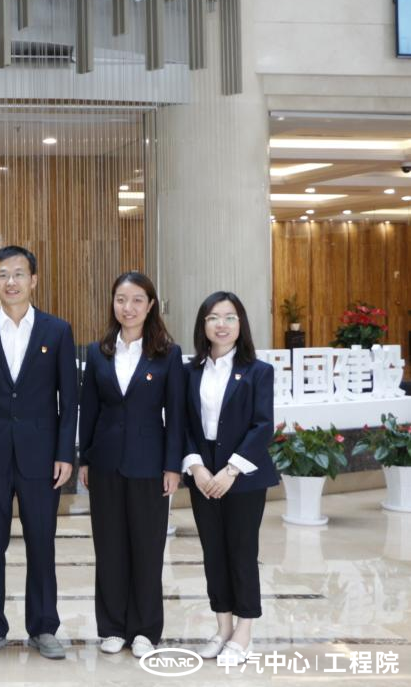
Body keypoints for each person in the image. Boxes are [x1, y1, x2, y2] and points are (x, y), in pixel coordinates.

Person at [0, 244, 77, 660]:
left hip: (42, 458)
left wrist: (65, 453)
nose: (11, 282)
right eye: (3, 275)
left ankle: (44, 627)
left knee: (41, 543)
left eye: (19, 274)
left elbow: (69, 399)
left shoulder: (57, 331)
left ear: (34, 280)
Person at [77, 271, 184, 658]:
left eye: (138, 300)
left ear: (150, 305)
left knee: (147, 548)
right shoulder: (98, 352)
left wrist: (173, 466)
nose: (129, 307)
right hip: (105, 464)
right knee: (109, 547)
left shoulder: (168, 354)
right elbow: (89, 409)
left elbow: (176, 415)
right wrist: (85, 458)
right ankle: (112, 627)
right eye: (121, 299)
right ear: (113, 303)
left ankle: (145, 630)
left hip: (150, 466)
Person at [182, 291, 277, 665]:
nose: (221, 325)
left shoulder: (258, 371)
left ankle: (244, 632)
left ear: (241, 324)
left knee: (241, 551)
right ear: (203, 325)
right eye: (213, 318)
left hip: (243, 476)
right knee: (213, 552)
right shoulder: (189, 371)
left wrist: (231, 470)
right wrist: (197, 467)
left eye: (230, 317)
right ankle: (222, 628)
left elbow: (262, 425)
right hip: (203, 475)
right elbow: (182, 424)